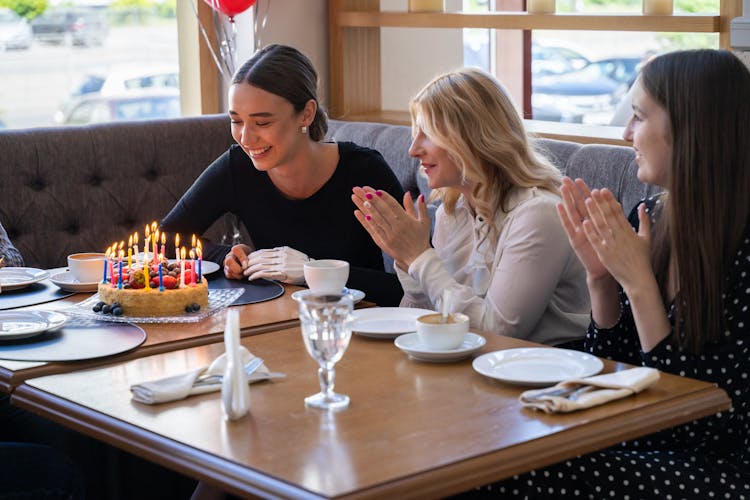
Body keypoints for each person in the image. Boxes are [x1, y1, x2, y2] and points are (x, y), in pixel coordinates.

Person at [466, 49, 750, 498]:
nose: (625, 133)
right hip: (648, 445)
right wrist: (601, 281)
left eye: (639, 116)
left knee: (509, 469)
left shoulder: (742, 245)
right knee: (489, 444)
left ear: (692, 128)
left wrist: (639, 285)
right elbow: (618, 371)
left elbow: (700, 421)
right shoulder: (651, 215)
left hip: (722, 468)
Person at [351, 67, 590, 346]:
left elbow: (498, 332)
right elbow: (428, 324)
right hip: (478, 368)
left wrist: (420, 257)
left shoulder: (538, 214)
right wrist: (409, 265)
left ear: (472, 137)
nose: (413, 150)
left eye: (427, 133)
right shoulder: (452, 212)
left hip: (549, 371)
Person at [160, 44, 405, 306]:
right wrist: (231, 257)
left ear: (306, 114)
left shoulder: (364, 171)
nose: (246, 137)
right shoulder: (238, 167)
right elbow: (168, 240)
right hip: (273, 323)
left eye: (262, 123)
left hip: (355, 324)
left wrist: (313, 270)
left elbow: (414, 286)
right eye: (236, 121)